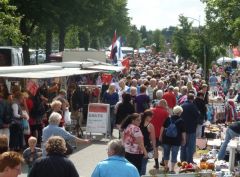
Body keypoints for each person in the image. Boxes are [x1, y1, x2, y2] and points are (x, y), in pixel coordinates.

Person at [160, 106, 186, 173]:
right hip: (176, 140)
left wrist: (160, 136)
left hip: (166, 139)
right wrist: (184, 140)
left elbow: (162, 128)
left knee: (166, 154)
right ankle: (172, 169)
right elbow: (183, 132)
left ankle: (166, 166)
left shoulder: (168, 118)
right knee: (174, 154)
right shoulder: (181, 121)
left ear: (174, 111)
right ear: (180, 113)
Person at [180, 93, 200, 163]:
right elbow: (197, 115)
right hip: (191, 128)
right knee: (190, 146)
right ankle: (190, 160)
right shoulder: (192, 106)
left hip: (182, 129)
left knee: (183, 145)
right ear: (193, 99)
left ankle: (183, 160)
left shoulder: (182, 105)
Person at [151, 99, 169, 169]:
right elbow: (167, 124)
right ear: (164, 105)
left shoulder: (152, 111)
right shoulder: (166, 113)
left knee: (155, 148)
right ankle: (163, 161)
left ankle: (156, 164)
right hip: (163, 133)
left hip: (153, 133)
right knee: (165, 148)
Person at [140, 110, 157, 175]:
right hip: (146, 147)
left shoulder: (138, 123)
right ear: (147, 117)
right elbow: (153, 139)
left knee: (136, 165)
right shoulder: (150, 126)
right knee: (143, 165)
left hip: (136, 147)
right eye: (151, 117)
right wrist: (155, 149)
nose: (151, 119)